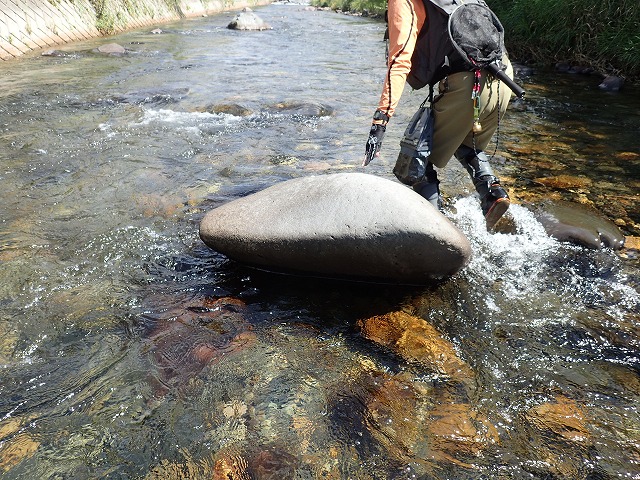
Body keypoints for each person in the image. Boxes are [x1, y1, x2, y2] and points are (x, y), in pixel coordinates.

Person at [362, 0, 514, 229]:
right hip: (505, 78)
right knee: (465, 142)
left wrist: (380, 121)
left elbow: (400, 61)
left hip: (468, 85)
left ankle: (437, 228)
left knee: (415, 162)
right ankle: (493, 193)